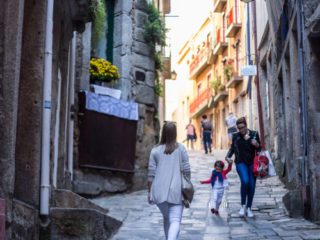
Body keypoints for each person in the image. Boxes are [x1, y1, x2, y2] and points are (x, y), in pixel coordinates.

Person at [148, 121, 191, 240]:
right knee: (175, 220)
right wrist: (187, 187)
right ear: (175, 133)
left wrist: (149, 191)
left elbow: (151, 174)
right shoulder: (181, 148)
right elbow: (187, 170)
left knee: (167, 218)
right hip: (177, 190)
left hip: (158, 191)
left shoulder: (155, 150)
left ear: (163, 133)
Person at [225, 117, 261, 218]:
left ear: (246, 125)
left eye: (243, 127)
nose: (241, 130)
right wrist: (227, 157)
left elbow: (260, 148)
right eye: (239, 128)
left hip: (252, 163)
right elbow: (232, 148)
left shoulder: (254, 134)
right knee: (245, 181)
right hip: (240, 162)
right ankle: (243, 206)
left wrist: (257, 144)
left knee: (252, 185)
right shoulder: (236, 136)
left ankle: (249, 208)